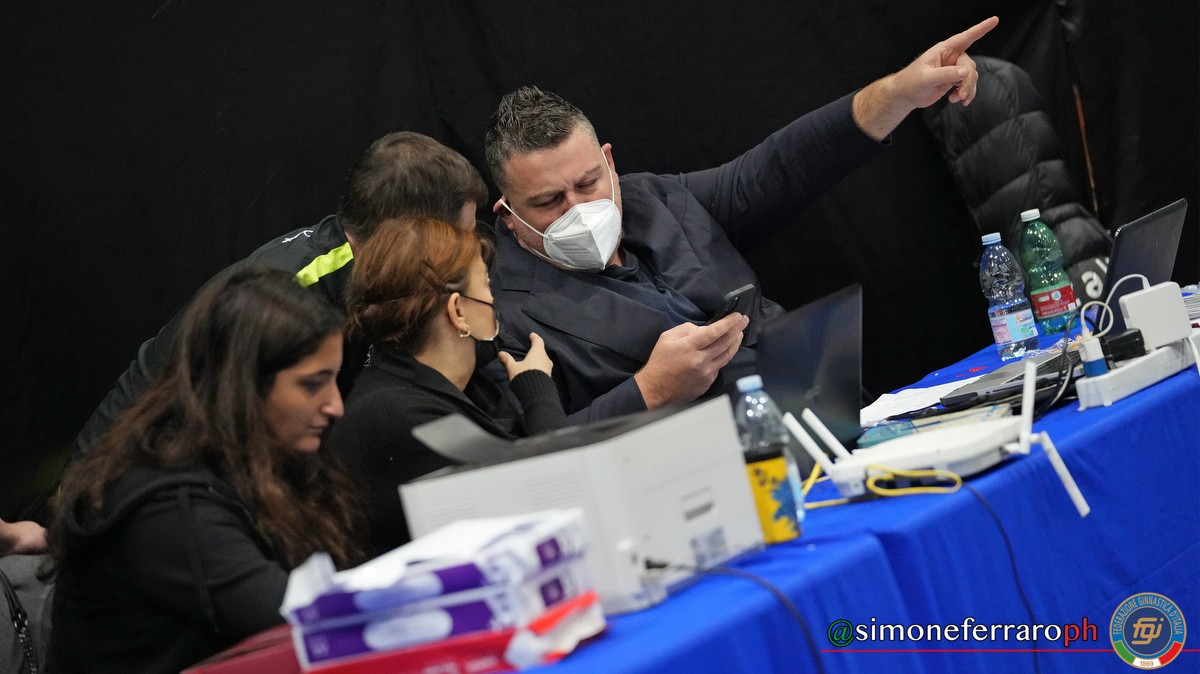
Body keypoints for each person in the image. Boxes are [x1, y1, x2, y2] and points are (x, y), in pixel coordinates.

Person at [0, 132, 490, 558]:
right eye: (461, 238)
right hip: (126, 501)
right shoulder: (290, 299)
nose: (469, 254)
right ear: (407, 237)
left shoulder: (364, 267)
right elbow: (201, 430)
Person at [485, 17, 1000, 422]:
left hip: (836, 419)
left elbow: (782, 168)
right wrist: (649, 391)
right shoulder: (505, 313)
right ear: (508, 215)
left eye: (588, 183)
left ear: (609, 162)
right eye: (549, 201)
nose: (579, 210)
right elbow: (533, 460)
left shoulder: (655, 199)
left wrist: (901, 92)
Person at [46, 266, 363, 674]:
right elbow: (301, 624)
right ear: (243, 385)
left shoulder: (269, 460)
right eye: (312, 384)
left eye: (334, 380)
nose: (335, 405)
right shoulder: (167, 505)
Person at [330, 216, 567, 555]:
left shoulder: (452, 388)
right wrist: (539, 391)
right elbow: (556, 495)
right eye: (486, 286)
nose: (494, 301)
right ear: (458, 311)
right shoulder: (398, 416)